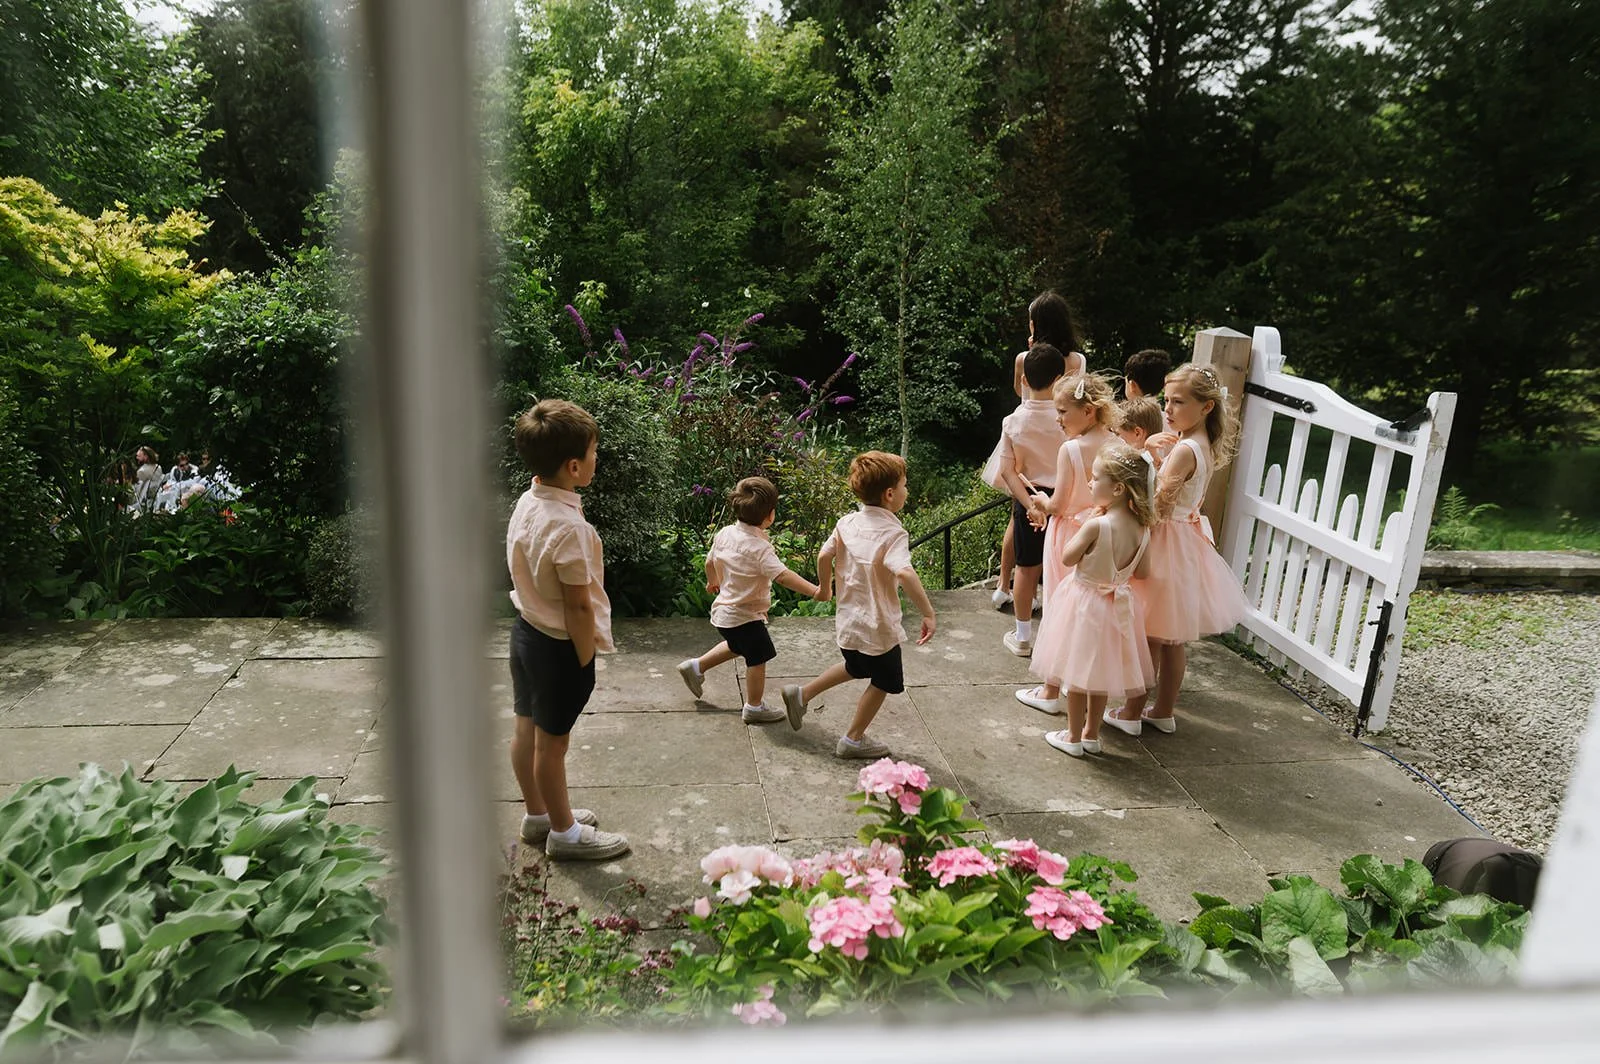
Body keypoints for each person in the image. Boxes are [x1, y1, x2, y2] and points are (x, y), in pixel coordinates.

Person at [505, 398, 630, 860]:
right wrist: (585, 656)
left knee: (526, 731)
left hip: (525, 633)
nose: (597, 460)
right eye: (595, 454)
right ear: (575, 466)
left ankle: (538, 815)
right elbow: (579, 606)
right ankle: (564, 833)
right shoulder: (571, 529)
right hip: (559, 646)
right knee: (552, 744)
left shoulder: (528, 501)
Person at [1105, 364, 1250, 736]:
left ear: (1206, 407)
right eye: (1166, 401)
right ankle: (1163, 710)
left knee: (1151, 633)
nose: (1167, 410)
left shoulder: (1185, 449)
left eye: (1178, 402)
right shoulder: (1201, 443)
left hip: (1167, 543)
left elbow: (1159, 507)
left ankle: (1132, 712)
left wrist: (1138, 473)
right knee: (1171, 638)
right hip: (1187, 543)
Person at [781, 451, 936, 759]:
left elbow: (825, 556)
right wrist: (929, 613)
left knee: (856, 666)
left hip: (849, 621)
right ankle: (853, 738)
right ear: (890, 494)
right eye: (905, 485)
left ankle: (803, 694)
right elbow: (904, 571)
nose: (908, 491)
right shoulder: (893, 533)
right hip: (879, 628)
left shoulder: (846, 523)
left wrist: (825, 589)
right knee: (884, 680)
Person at [1025, 442, 1157, 755]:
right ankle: (1091, 734)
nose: (1090, 483)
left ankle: (1071, 736)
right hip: (1115, 607)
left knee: (1076, 675)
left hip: (1084, 603)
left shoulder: (1097, 525)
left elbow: (1069, 558)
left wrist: (1086, 533)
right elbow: (1144, 572)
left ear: (1117, 489)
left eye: (1095, 478)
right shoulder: (1142, 528)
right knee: (1098, 675)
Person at [676, 476, 821, 723]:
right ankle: (754, 707)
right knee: (758, 657)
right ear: (770, 516)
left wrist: (713, 581)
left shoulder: (725, 533)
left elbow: (710, 560)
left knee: (737, 646)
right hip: (742, 615)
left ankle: (696, 667)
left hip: (725, 613)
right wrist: (816, 591)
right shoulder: (760, 548)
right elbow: (783, 576)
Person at [993, 292, 1089, 611]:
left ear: (1037, 323)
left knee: (1018, 517)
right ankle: (1050, 592)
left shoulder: (1024, 358)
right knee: (1059, 518)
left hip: (1024, 437)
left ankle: (1005, 584)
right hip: (1062, 439)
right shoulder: (1076, 361)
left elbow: (1020, 392)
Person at [985, 344, 1068, 656]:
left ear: (1024, 380)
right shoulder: (1066, 419)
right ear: (1059, 379)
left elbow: (1008, 471)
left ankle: (1022, 637)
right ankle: (1059, 635)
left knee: (1027, 567)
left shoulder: (1013, 421)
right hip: (1064, 499)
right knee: (1061, 569)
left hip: (1029, 497)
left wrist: (1031, 503)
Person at [1027, 373, 1116, 609]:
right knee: (1095, 602)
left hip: (1069, 536)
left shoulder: (1071, 450)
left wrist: (1042, 501)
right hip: (1108, 533)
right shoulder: (1118, 444)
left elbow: (1058, 506)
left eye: (1063, 412)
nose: (1058, 419)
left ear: (1088, 411)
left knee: (1062, 602)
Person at [132, 446, 164, 513]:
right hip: (156, 498)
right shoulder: (158, 467)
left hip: (143, 502)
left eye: (139, 456)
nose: (137, 458)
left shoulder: (142, 471)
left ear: (146, 456)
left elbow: (136, 490)